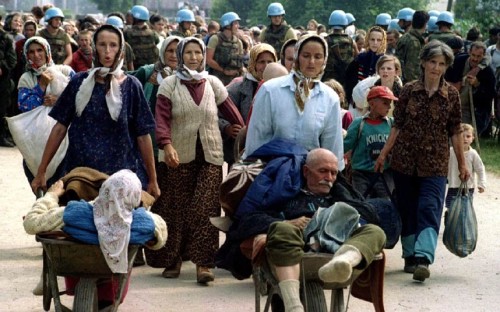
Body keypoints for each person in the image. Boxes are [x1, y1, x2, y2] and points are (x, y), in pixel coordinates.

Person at [219, 148, 386, 312]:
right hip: (296, 244)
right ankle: (293, 306)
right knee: (281, 228)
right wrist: (288, 222)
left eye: (334, 173)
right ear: (306, 171)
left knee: (375, 232)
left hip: (336, 245)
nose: (329, 178)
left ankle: (344, 262)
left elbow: (367, 216)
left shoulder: (340, 195)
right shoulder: (286, 195)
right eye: (323, 171)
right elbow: (249, 220)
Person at [146, 37, 244, 284]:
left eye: (197, 52)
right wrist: (166, 145)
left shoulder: (212, 83)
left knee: (206, 207)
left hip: (210, 155)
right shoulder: (169, 84)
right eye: (188, 52)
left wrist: (244, 131)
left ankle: (204, 263)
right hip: (177, 155)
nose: (193, 57)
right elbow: (161, 120)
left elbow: (233, 113)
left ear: (203, 56)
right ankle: (173, 259)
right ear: (180, 56)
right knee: (175, 207)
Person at [375, 40, 470, 282]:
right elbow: (398, 125)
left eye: (441, 64)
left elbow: (456, 131)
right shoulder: (408, 90)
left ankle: (424, 257)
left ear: (446, 67)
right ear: (423, 63)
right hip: (404, 161)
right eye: (432, 62)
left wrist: (462, 163)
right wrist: (385, 153)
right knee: (407, 208)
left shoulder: (451, 96)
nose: (436, 68)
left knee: (429, 207)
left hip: (435, 163)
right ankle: (409, 255)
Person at [31, 24, 160, 200]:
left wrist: (153, 179)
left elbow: (143, 135)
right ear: (94, 47)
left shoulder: (131, 86)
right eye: (102, 44)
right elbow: (60, 127)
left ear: (121, 50)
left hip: (121, 176)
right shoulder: (79, 82)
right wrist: (41, 171)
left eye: (113, 45)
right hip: (80, 174)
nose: (107, 51)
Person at [23, 169, 167, 306]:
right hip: (115, 275)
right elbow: (160, 237)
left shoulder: (77, 213)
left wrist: (52, 195)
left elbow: (31, 222)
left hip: (75, 266)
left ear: (104, 190)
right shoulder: (142, 223)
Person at [244, 34, 344, 171]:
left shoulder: (330, 98)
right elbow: (256, 140)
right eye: (306, 56)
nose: (312, 62)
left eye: (318, 57)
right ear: (297, 57)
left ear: (325, 60)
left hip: (311, 178)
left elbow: (333, 148)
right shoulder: (270, 91)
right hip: (272, 173)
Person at [222, 43, 277, 164]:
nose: (266, 66)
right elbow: (218, 112)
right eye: (261, 62)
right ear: (253, 63)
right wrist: (227, 127)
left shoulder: (281, 88)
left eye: (270, 61)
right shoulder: (238, 87)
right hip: (241, 150)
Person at [133, 35, 182, 162]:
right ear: (162, 52)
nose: (174, 55)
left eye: (177, 51)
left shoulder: (189, 77)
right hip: (147, 139)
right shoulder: (147, 72)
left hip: (175, 140)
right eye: (169, 51)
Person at [344, 86, 396, 199]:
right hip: (361, 174)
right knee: (361, 203)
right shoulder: (360, 124)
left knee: (386, 203)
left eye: (390, 103)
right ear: (372, 104)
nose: (388, 107)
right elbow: (345, 145)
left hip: (384, 174)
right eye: (385, 103)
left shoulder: (391, 124)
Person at [445, 41, 496, 136]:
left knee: (463, 136)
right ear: (469, 52)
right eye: (473, 55)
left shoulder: (488, 72)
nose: (475, 59)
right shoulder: (458, 61)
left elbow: (490, 95)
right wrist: (453, 85)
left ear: (484, 56)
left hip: (472, 111)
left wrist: (477, 85)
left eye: (479, 56)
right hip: (452, 105)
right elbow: (444, 79)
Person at [445, 123, 486, 208]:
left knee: (465, 208)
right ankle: (450, 220)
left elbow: (480, 169)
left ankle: (464, 221)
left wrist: (481, 184)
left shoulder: (473, 154)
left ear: (472, 138)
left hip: (468, 186)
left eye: (468, 136)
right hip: (453, 185)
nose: (465, 139)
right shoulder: (450, 152)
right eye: (462, 136)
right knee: (450, 206)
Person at [345, 26, 386, 109]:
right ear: (368, 40)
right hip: (356, 104)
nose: (375, 43)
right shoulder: (360, 58)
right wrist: (352, 99)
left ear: (383, 41)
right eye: (372, 39)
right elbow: (349, 80)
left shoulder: (385, 61)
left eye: (378, 40)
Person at [206, 12, 244, 86]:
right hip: (218, 79)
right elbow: (209, 60)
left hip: (234, 80)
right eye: (235, 23)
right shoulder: (215, 39)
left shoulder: (238, 42)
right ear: (228, 25)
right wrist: (223, 70)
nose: (238, 26)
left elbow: (240, 61)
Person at [322, 10, 358, 86]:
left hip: (329, 79)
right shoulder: (351, 41)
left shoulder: (325, 40)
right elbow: (357, 58)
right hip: (346, 78)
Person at [396, 10, 429, 84]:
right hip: (408, 85)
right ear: (424, 24)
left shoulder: (405, 37)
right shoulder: (414, 42)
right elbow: (412, 69)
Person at [124, 5, 159, 69]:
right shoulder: (152, 33)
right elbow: (157, 41)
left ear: (134, 18)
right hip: (150, 69)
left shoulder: (127, 33)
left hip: (134, 68)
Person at [0, 27, 17, 147]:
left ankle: (1, 136)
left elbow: (12, 61)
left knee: (2, 109)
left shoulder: (5, 38)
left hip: (2, 82)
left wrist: (1, 66)